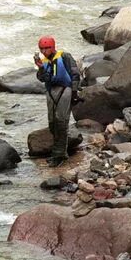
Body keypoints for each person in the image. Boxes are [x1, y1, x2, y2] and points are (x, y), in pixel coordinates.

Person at [33, 36, 81, 167]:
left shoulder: (65, 56)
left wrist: (75, 92)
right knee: (52, 124)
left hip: (65, 90)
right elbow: (42, 79)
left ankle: (59, 155)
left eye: (46, 48)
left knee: (61, 122)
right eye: (42, 49)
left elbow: (75, 74)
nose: (44, 51)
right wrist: (41, 68)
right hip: (51, 92)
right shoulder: (44, 62)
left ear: (52, 47)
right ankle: (59, 152)